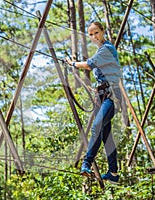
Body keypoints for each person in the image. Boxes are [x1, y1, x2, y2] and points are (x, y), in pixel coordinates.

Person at [65, 21, 122, 184]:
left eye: (96, 32)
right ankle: (113, 172)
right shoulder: (101, 51)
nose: (94, 37)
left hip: (112, 97)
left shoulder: (107, 49)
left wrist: (73, 64)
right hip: (102, 95)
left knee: (97, 126)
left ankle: (86, 163)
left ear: (103, 32)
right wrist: (97, 89)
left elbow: (89, 65)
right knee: (106, 135)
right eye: (90, 34)